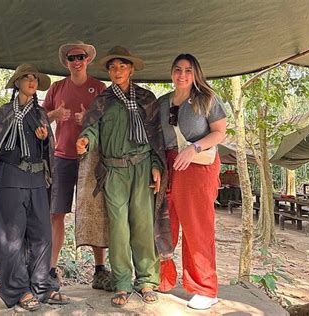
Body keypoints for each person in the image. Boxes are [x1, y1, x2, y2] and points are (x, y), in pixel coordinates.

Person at [0, 64, 70, 311]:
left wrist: (43, 141)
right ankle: (18, 290)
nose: (31, 82)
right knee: (11, 238)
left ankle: (42, 287)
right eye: (26, 78)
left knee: (42, 234)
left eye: (34, 78)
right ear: (17, 83)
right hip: (10, 179)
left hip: (37, 180)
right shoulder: (5, 112)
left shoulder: (41, 114)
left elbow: (48, 152)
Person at [76, 46, 165, 307]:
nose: (117, 71)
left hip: (142, 165)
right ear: (108, 71)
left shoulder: (147, 98)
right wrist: (84, 140)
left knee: (143, 224)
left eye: (122, 66)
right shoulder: (102, 101)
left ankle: (147, 280)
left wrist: (157, 165)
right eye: (113, 67)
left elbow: (156, 135)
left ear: (131, 70)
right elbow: (92, 129)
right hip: (114, 170)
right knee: (118, 228)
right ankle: (122, 282)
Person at [156, 53, 227, 310]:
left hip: (197, 165)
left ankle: (205, 288)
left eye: (188, 70)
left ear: (195, 72)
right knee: (164, 219)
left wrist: (194, 148)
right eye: (177, 69)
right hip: (168, 165)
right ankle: (163, 278)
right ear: (171, 72)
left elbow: (220, 132)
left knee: (197, 225)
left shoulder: (206, 99)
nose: (182, 74)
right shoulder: (162, 102)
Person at [42, 41, 110, 290]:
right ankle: (50, 269)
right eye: (72, 58)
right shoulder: (57, 87)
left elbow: (109, 123)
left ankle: (100, 270)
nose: (77, 61)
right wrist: (54, 116)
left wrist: (89, 118)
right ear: (66, 62)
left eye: (81, 56)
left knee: (94, 212)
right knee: (56, 213)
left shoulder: (99, 87)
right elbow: (38, 119)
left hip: (90, 158)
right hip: (62, 157)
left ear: (88, 59)